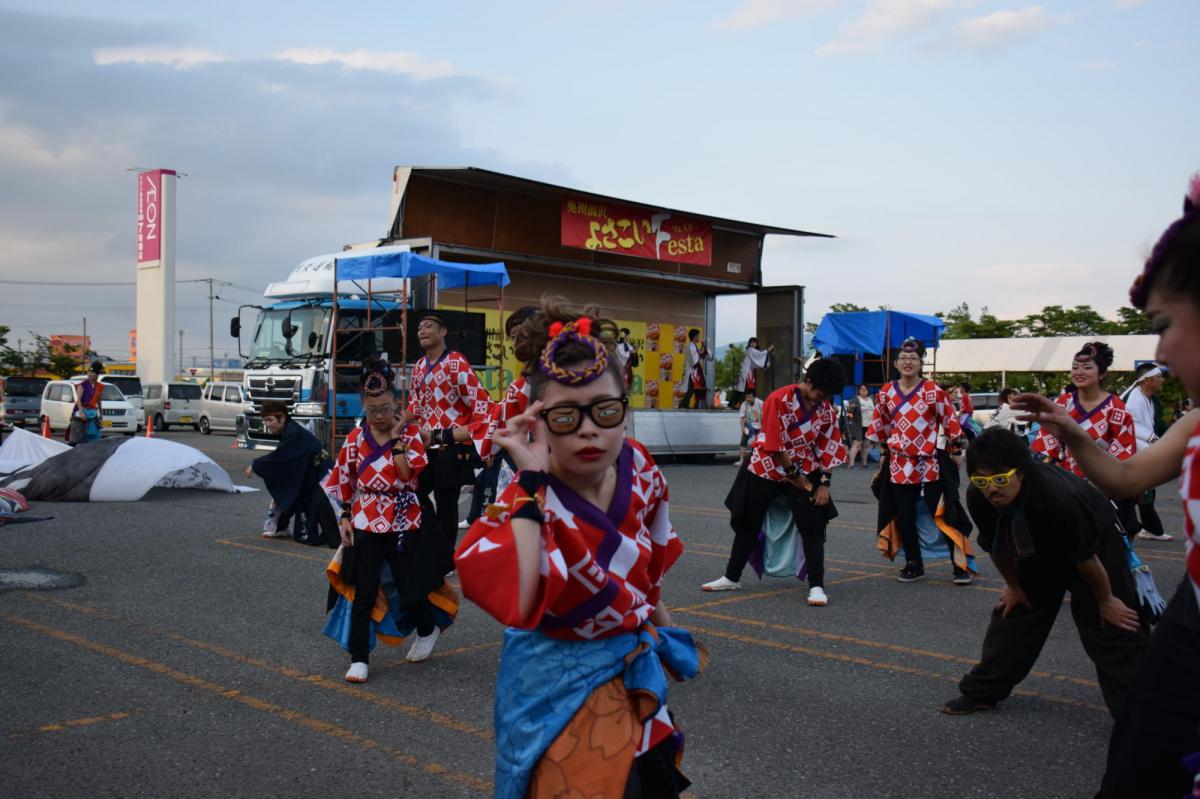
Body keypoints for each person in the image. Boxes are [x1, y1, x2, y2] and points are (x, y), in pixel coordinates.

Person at [455, 299, 704, 798]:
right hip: (552, 675)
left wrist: (665, 631)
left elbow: (648, 572)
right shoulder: (526, 499)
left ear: (624, 409)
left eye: (606, 411)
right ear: (539, 419)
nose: (590, 429)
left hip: (631, 660)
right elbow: (523, 598)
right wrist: (530, 479)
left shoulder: (641, 466)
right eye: (566, 416)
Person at [1016, 172, 1200, 798]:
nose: (1161, 352)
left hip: (1098, 523)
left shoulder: (1122, 410)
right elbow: (1127, 473)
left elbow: (1119, 484)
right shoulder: (1196, 421)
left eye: (1166, 323)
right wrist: (1069, 430)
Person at [941, 428, 1148, 718]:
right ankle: (983, 692)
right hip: (1036, 543)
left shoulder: (1061, 497)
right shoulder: (979, 495)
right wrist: (1014, 586)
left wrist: (1106, 600)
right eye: (982, 480)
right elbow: (998, 547)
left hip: (1095, 544)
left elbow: (1085, 558)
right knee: (1015, 611)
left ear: (1021, 472)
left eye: (1000, 479)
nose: (992, 489)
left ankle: (1138, 714)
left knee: (1114, 625)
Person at [323, 360, 456, 682]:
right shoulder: (355, 439)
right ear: (363, 406)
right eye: (372, 410)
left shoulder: (411, 436)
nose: (379, 415)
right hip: (365, 518)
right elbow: (344, 481)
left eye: (385, 408)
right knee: (364, 590)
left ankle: (427, 628)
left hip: (403, 519)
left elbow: (407, 475)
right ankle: (359, 658)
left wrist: (397, 437)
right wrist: (344, 516)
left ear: (396, 403)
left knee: (409, 587)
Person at [702, 358, 848, 607]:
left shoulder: (826, 409)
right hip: (767, 466)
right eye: (820, 394)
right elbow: (774, 444)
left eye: (826, 396)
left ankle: (817, 586)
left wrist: (824, 484)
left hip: (805, 466)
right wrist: (794, 476)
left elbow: (829, 446)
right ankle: (731, 576)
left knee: (812, 526)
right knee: (748, 522)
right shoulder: (779, 399)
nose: (821, 400)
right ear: (809, 382)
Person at [867, 338, 974, 584]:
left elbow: (950, 421)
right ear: (895, 363)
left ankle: (960, 565)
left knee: (944, 514)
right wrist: (882, 460)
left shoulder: (933, 390)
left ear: (920, 363)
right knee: (904, 516)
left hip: (930, 463)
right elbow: (882, 428)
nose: (908, 362)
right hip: (898, 463)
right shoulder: (886, 392)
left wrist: (956, 451)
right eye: (903, 358)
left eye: (913, 358)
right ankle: (914, 564)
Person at [1031, 341, 1140, 536]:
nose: (1079, 372)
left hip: (1104, 489)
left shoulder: (1116, 408)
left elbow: (1123, 457)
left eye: (1087, 367)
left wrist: (1097, 484)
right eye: (1075, 367)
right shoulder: (1062, 404)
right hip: (1065, 488)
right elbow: (1045, 451)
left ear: (1102, 374)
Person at [407, 311, 496, 545]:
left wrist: (483, 441)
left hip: (452, 445)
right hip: (426, 445)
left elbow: (483, 405)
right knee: (412, 493)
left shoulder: (456, 362)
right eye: (419, 328)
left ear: (443, 332)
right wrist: (393, 423)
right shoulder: (418, 366)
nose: (422, 331)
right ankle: (430, 544)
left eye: (428, 326)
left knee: (446, 503)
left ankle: (444, 556)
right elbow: (415, 406)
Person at [467, 305, 539, 525]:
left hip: (543, 467)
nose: (518, 343)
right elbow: (497, 420)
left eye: (525, 334)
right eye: (514, 337)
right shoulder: (520, 384)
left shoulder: (555, 380)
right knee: (498, 521)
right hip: (514, 462)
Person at [244, 399, 336, 545]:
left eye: (270, 420)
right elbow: (281, 459)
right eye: (265, 420)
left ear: (282, 418)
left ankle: (278, 526)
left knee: (332, 529)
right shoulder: (290, 430)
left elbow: (278, 458)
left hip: (325, 475)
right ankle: (278, 526)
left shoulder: (293, 433)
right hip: (313, 473)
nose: (267, 424)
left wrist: (255, 465)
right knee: (287, 486)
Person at [1121, 362, 1174, 542]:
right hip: (1129, 451)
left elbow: (1158, 424)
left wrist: (1168, 438)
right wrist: (1152, 439)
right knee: (1136, 493)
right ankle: (1142, 529)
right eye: (1159, 376)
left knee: (1144, 492)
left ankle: (1149, 529)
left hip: (1143, 449)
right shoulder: (1132, 398)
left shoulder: (1152, 399)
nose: (1162, 380)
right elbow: (1129, 424)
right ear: (1147, 380)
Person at [69, 361, 106, 445]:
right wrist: (81, 412)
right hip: (80, 412)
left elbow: (98, 400)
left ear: (97, 375)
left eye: (92, 373)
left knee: (92, 438)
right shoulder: (82, 385)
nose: (89, 374)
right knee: (76, 438)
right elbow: (78, 400)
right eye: (88, 372)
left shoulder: (99, 386)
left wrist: (101, 413)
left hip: (92, 413)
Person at [731, 337, 774, 407]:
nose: (753, 344)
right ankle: (740, 404)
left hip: (749, 372)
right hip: (747, 373)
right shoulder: (750, 350)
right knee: (747, 389)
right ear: (749, 343)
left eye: (754, 342)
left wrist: (768, 353)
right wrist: (768, 349)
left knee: (745, 389)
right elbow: (760, 355)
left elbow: (758, 359)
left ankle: (740, 404)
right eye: (751, 342)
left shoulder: (752, 351)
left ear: (757, 344)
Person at [678, 328, 713, 409]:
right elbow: (695, 360)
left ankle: (685, 404)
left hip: (693, 371)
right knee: (694, 388)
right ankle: (686, 404)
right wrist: (701, 351)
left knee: (693, 388)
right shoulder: (691, 346)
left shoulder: (693, 346)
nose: (699, 337)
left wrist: (702, 349)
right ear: (694, 336)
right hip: (692, 371)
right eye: (698, 336)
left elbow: (697, 355)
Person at [846, 384, 874, 468]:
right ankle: (851, 464)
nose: (863, 390)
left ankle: (864, 464)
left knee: (866, 445)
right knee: (856, 444)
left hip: (868, 425)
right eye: (861, 389)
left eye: (865, 389)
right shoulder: (855, 399)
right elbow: (849, 413)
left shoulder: (871, 399)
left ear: (868, 390)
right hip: (858, 425)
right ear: (858, 390)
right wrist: (851, 408)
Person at [736, 389, 764, 467]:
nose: (748, 399)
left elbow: (765, 415)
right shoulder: (744, 404)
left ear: (754, 397)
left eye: (750, 397)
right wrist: (742, 428)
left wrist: (764, 428)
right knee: (743, 441)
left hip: (759, 426)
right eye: (747, 397)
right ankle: (741, 460)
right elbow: (742, 417)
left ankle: (758, 461)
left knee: (759, 443)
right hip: (749, 425)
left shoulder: (760, 403)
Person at [615, 327, 639, 391]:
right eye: (628, 335)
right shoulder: (618, 345)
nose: (629, 337)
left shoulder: (627, 345)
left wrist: (634, 351)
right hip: (621, 368)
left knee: (628, 384)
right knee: (621, 385)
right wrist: (631, 352)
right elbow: (623, 354)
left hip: (627, 369)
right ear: (625, 336)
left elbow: (632, 351)